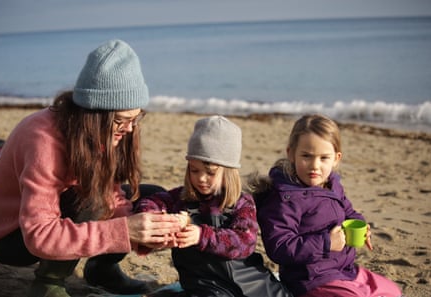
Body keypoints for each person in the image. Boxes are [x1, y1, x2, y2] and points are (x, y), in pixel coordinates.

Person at [0, 39, 183, 297]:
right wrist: (124, 229)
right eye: (123, 120)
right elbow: (40, 234)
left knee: (151, 196)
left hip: (61, 213)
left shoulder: (104, 132)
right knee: (93, 199)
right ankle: (48, 284)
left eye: (136, 118)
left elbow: (112, 192)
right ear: (95, 115)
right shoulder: (43, 138)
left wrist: (140, 234)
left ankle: (101, 270)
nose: (131, 128)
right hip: (12, 236)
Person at [134, 115, 293, 297]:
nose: (201, 178)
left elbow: (244, 242)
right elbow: (152, 201)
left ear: (228, 171)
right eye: (194, 170)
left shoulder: (242, 203)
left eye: (210, 172)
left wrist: (201, 235)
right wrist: (158, 218)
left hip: (253, 287)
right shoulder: (181, 199)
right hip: (206, 288)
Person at [247, 114, 403, 297]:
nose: (314, 165)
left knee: (393, 291)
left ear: (336, 158)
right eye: (306, 156)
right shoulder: (284, 198)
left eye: (324, 158)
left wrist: (361, 226)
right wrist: (326, 243)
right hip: (309, 279)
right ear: (291, 153)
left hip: (344, 269)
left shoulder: (333, 185)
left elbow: (349, 211)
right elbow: (279, 246)